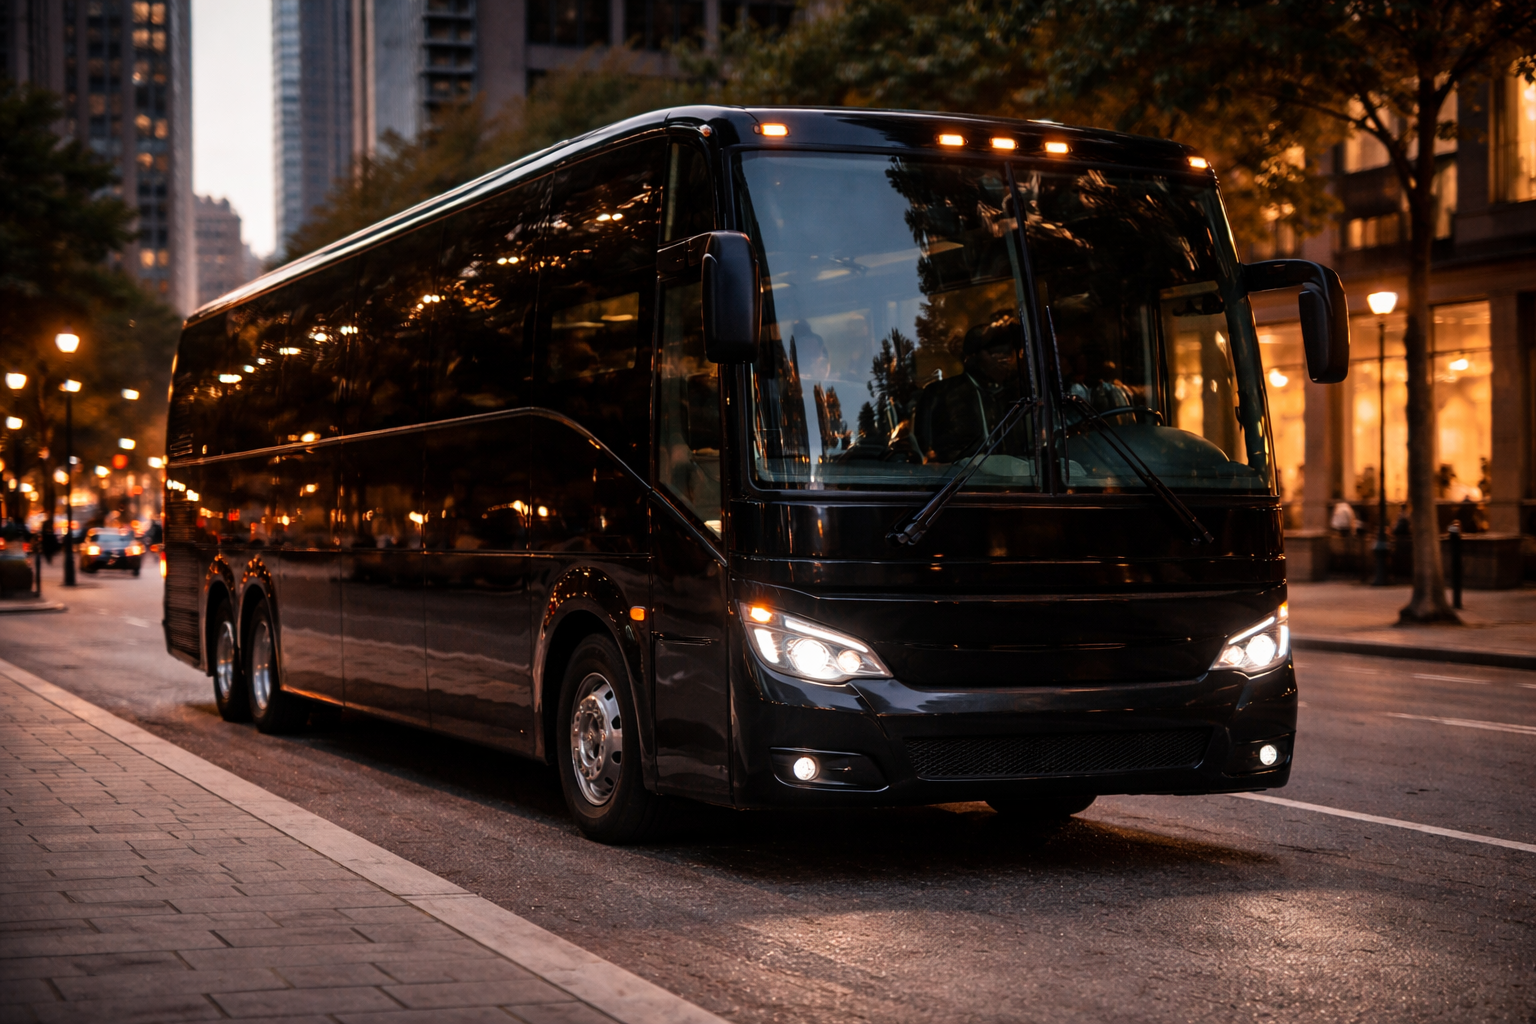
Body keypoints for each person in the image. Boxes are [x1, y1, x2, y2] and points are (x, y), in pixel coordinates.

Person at [911, 312, 1025, 464]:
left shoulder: (1016, 397)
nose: (1004, 359)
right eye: (994, 352)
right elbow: (925, 452)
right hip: (960, 483)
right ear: (971, 357)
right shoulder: (941, 394)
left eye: (1008, 351)